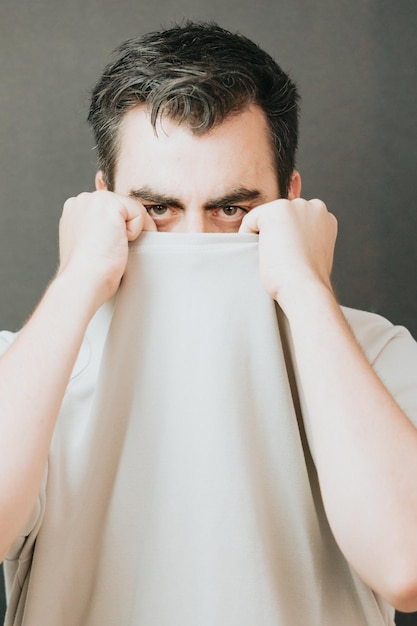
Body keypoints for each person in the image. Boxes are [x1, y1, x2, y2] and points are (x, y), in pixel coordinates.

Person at [1, 21, 417, 626]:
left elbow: (408, 567)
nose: (193, 240)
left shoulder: (376, 355)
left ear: (291, 202)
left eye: (231, 209)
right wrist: (75, 284)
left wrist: (306, 288)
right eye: (158, 209)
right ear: (102, 202)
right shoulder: (34, 363)